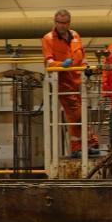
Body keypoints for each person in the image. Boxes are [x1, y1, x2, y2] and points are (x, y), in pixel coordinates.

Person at [41, 8, 100, 159]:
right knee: (75, 114)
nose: (62, 26)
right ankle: (78, 147)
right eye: (59, 23)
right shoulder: (48, 39)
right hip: (63, 82)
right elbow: (49, 62)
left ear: (69, 23)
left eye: (65, 23)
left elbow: (82, 56)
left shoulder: (75, 35)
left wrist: (87, 67)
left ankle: (89, 144)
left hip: (79, 80)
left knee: (83, 112)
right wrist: (61, 65)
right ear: (55, 22)